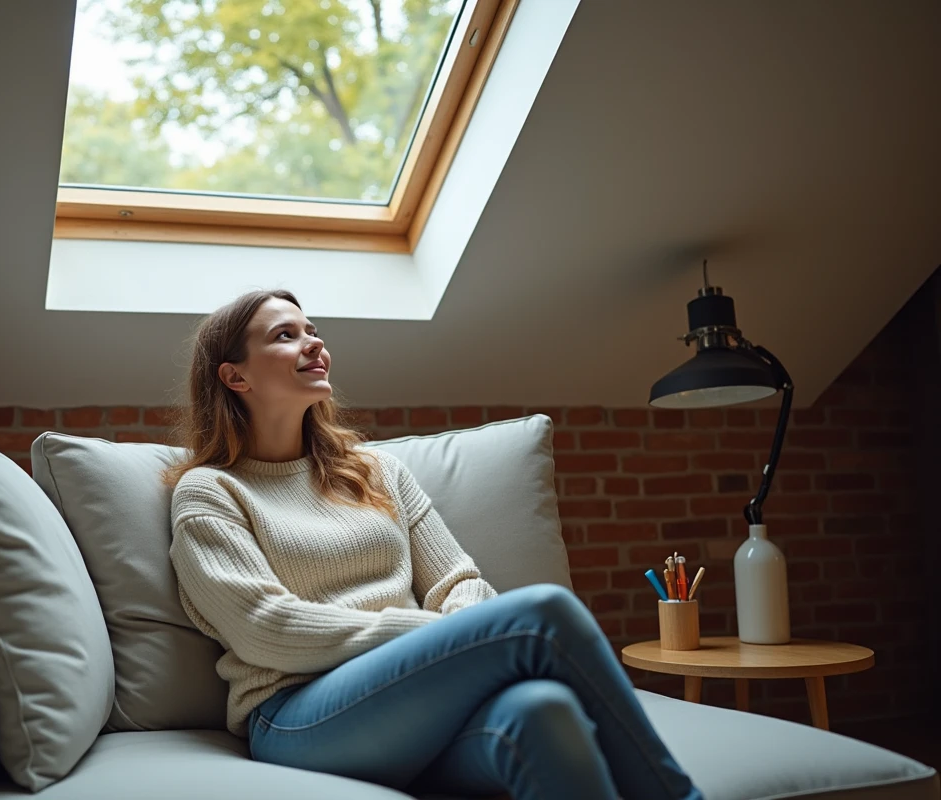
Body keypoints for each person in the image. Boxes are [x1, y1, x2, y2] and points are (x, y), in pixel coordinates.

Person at [162, 289, 703, 800]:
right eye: (285, 335)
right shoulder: (210, 492)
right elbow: (266, 630)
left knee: (543, 710)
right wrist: (444, 636)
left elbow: (460, 582)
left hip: (416, 699)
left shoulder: (374, 471)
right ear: (235, 376)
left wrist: (457, 632)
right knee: (543, 612)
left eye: (313, 330)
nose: (314, 343)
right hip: (296, 714)